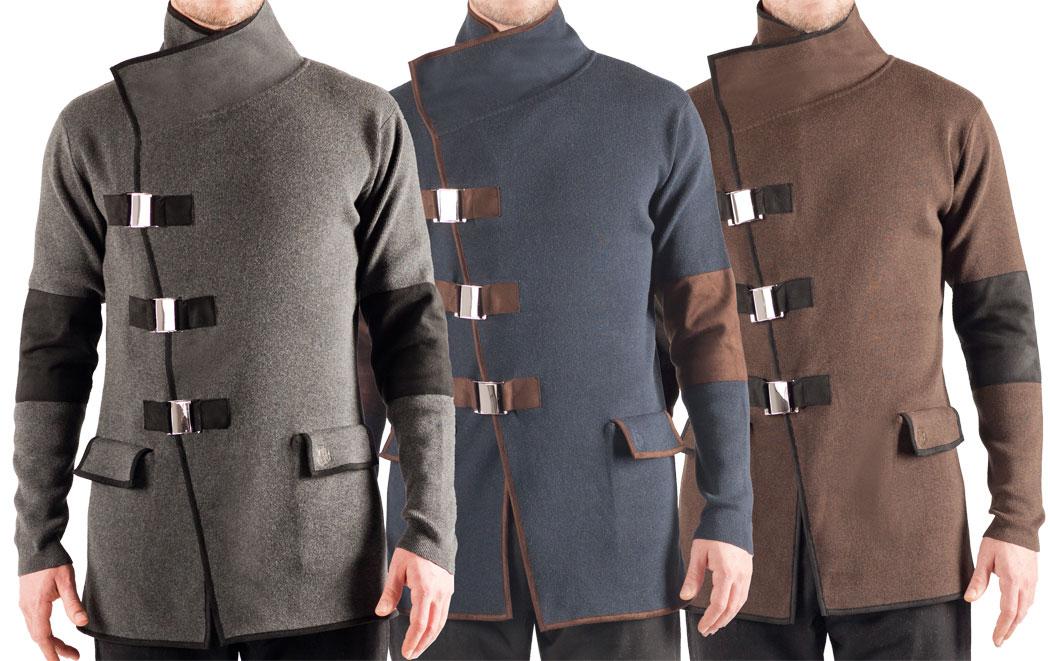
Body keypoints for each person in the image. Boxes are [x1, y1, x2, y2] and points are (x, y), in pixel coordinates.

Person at [13, 1, 457, 659]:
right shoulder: (91, 129)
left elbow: (413, 338)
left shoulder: (363, 117)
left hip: (324, 557)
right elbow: (54, 346)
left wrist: (430, 529)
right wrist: (37, 539)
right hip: (149, 559)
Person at [359, 1, 755, 658]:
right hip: (441, 527)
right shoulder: (391, 124)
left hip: (617, 521)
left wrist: (729, 507)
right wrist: (344, 533)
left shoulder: (656, 112)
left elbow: (706, 327)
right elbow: (364, 342)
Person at [679, 1, 1042, 659]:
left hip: (907, 526)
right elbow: (639, 337)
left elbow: (1001, 327)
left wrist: (1017, 516)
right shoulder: (686, 125)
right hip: (736, 528)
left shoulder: (948, 116)